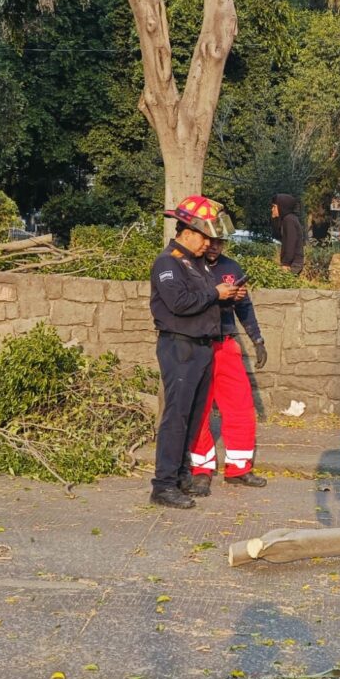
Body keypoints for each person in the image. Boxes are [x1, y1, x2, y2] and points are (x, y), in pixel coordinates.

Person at [149, 195, 237, 509]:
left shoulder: (193, 262)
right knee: (176, 417)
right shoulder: (168, 262)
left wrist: (226, 297)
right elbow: (179, 302)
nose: (209, 244)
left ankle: (181, 474)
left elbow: (201, 298)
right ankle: (163, 484)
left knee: (194, 416)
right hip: (179, 346)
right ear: (188, 231)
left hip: (200, 347)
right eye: (205, 237)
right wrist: (216, 292)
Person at [186, 227, 270, 494]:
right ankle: (201, 469)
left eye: (219, 242)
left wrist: (257, 339)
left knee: (241, 405)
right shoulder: (188, 266)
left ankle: (239, 467)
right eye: (210, 240)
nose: (214, 246)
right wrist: (220, 296)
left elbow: (245, 308)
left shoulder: (231, 267)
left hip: (226, 343)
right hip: (198, 344)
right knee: (199, 409)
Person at [271, 193, 304, 274]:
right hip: (292, 263)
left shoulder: (289, 220)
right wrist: (274, 219)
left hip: (293, 264)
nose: (272, 209)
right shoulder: (287, 219)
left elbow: (291, 242)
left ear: (282, 206)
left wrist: (286, 263)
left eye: (274, 206)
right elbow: (277, 235)